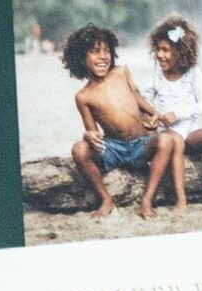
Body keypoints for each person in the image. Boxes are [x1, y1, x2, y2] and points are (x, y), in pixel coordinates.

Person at [64, 26, 181, 218]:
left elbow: (136, 97)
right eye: (95, 51)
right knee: (79, 149)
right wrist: (88, 136)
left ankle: (146, 200)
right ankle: (106, 199)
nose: (103, 57)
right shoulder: (83, 96)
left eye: (107, 51)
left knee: (166, 140)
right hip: (114, 149)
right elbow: (93, 134)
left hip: (141, 143)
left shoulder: (121, 72)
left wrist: (155, 113)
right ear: (81, 57)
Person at [137, 15, 202, 210]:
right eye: (157, 49)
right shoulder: (157, 74)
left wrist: (178, 113)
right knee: (174, 140)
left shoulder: (193, 72)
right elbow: (145, 98)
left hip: (191, 132)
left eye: (165, 50)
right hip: (169, 133)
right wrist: (150, 116)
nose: (159, 55)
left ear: (180, 52)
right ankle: (180, 199)